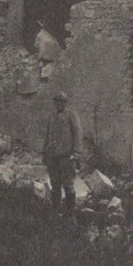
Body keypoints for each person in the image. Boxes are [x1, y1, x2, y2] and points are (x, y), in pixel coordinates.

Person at [42, 89, 82, 218]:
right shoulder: (51, 116)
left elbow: (77, 133)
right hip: (52, 156)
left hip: (66, 156)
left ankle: (71, 214)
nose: (59, 104)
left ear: (65, 103)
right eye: (57, 101)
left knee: (68, 185)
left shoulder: (71, 115)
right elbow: (47, 135)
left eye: (61, 101)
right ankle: (55, 212)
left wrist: (76, 151)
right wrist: (45, 152)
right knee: (55, 185)